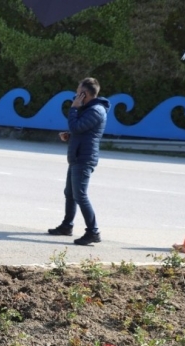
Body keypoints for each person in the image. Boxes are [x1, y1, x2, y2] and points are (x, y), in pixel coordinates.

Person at [48, 77, 110, 246]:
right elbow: (80, 129)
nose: (75, 95)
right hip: (78, 156)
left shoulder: (96, 110)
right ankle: (66, 226)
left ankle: (93, 232)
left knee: (80, 195)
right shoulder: (89, 108)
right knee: (70, 193)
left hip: (84, 158)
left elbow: (78, 126)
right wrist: (69, 134)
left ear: (84, 94)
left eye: (78, 92)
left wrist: (74, 109)